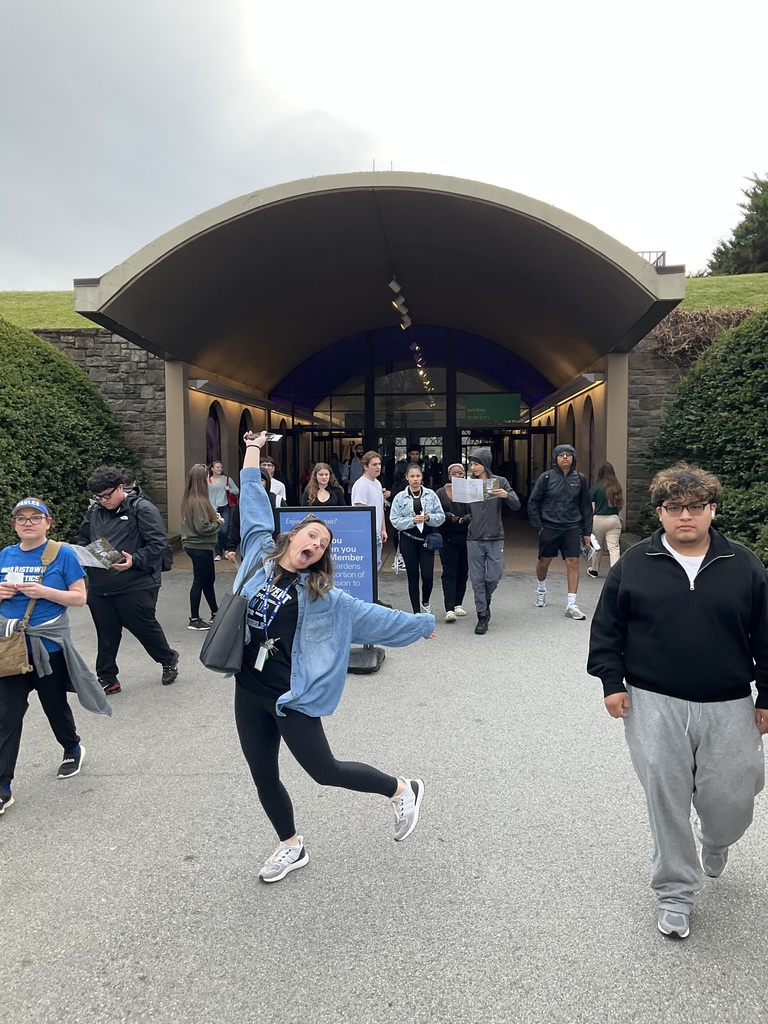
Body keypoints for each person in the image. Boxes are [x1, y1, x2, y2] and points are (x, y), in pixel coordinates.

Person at [228, 430, 436, 882]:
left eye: (322, 545)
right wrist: (252, 449)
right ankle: (290, 846)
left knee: (324, 771)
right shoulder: (258, 556)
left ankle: (401, 789)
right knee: (263, 775)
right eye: (312, 536)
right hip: (248, 688)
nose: (317, 545)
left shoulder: (324, 596)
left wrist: (420, 624)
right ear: (293, 534)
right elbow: (251, 499)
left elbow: (373, 618)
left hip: (290, 696)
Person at [587, 463, 768, 940]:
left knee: (733, 797)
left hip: (728, 702)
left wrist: (766, 694)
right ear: (660, 512)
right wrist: (612, 681)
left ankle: (716, 837)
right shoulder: (636, 562)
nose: (684, 516)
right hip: (653, 701)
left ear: (712, 509)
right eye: (673, 508)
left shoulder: (744, 564)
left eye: (695, 507)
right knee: (665, 798)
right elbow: (608, 627)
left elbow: (766, 636)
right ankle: (675, 893)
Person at [0, 498, 111, 816]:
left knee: (54, 706)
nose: (28, 522)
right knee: (7, 716)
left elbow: (80, 597)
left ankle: (72, 746)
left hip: (48, 648)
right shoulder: (5, 555)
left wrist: (43, 591)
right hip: (11, 647)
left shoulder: (62, 554)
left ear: (48, 522)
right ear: (14, 525)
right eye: (21, 518)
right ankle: (2, 787)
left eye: (36, 517)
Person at [78, 466, 179, 694]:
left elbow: (158, 543)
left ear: (121, 487)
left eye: (107, 495)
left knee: (144, 628)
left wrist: (135, 560)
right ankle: (107, 678)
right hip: (101, 584)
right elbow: (84, 537)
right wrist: (84, 556)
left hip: (136, 582)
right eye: (99, 496)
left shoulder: (140, 507)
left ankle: (168, 658)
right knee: (106, 633)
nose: (103, 500)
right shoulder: (94, 511)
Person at [454, 447, 520, 635]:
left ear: (485, 464)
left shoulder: (500, 482)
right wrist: (455, 495)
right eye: (471, 464)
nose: (473, 467)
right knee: (476, 579)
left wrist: (505, 495)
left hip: (495, 537)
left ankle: (486, 598)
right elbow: (463, 510)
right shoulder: (468, 483)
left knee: (494, 576)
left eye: (477, 463)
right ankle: (482, 615)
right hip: (473, 538)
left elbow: (516, 505)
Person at [527, 443, 593, 620]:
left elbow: (585, 505)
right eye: (561, 455)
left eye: (568, 454)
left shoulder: (579, 479)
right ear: (555, 458)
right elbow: (533, 502)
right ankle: (541, 588)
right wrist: (539, 525)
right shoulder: (546, 478)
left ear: (573, 458)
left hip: (572, 526)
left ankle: (571, 604)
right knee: (544, 562)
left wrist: (587, 531)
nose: (565, 457)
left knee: (573, 562)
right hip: (550, 526)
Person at [390, 465, 445, 614]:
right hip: (409, 539)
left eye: (418, 476)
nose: (415, 479)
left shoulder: (431, 495)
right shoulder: (400, 497)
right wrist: (412, 520)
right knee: (412, 576)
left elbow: (441, 517)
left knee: (428, 576)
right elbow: (394, 520)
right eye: (412, 476)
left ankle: (425, 602)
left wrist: (429, 518)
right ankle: (416, 611)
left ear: (422, 477)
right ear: (407, 477)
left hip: (426, 540)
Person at [181, 464, 223, 630]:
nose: (209, 479)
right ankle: (194, 618)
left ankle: (215, 612)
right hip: (199, 545)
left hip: (197, 545)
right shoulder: (198, 501)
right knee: (200, 580)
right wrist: (218, 523)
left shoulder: (190, 498)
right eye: (206, 476)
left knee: (207, 579)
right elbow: (202, 527)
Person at [435, 464, 470, 623]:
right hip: (447, 536)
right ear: (449, 476)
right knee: (449, 572)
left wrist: (466, 518)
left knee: (463, 571)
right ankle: (449, 608)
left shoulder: (470, 489)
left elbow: (476, 510)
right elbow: (435, 512)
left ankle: (458, 603)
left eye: (460, 473)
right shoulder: (440, 492)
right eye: (454, 473)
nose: (457, 476)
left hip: (466, 536)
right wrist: (448, 516)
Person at [225, 469, 278, 561]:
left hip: (274, 549)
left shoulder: (277, 500)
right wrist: (231, 548)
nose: (258, 484)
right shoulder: (243, 502)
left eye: (261, 480)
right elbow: (236, 524)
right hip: (249, 549)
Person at [351, 451, 390, 571]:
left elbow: (380, 508)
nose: (378, 467)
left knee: (375, 566)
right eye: (374, 464)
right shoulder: (361, 485)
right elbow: (360, 512)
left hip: (377, 533)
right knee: (367, 568)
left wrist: (383, 529)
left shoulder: (377, 483)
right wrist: (367, 533)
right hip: (367, 534)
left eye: (379, 464)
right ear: (365, 467)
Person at [588, 462, 624, 579]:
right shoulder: (616, 486)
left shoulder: (596, 487)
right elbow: (620, 505)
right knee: (614, 548)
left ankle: (594, 570)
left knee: (597, 546)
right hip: (613, 519)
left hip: (598, 519)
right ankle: (616, 572)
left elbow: (592, 507)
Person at [207, 460, 239, 560]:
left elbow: (237, 490)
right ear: (212, 469)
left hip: (224, 506)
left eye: (221, 467)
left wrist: (229, 489)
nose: (220, 469)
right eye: (217, 467)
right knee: (216, 530)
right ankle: (218, 553)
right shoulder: (207, 480)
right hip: (212, 507)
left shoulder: (227, 479)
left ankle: (226, 548)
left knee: (224, 530)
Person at [388, 460, 409, 572]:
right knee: (397, 536)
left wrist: (391, 494)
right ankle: (400, 558)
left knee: (400, 536)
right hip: (397, 513)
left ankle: (402, 559)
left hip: (402, 514)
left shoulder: (403, 483)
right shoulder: (396, 482)